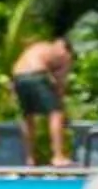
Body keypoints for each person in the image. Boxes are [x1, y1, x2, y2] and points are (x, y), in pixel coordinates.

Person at [11, 35, 75, 167]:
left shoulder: (40, 46)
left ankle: (29, 159)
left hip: (18, 76)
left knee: (28, 117)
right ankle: (58, 157)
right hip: (37, 74)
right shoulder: (64, 54)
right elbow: (60, 83)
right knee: (56, 114)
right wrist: (60, 103)